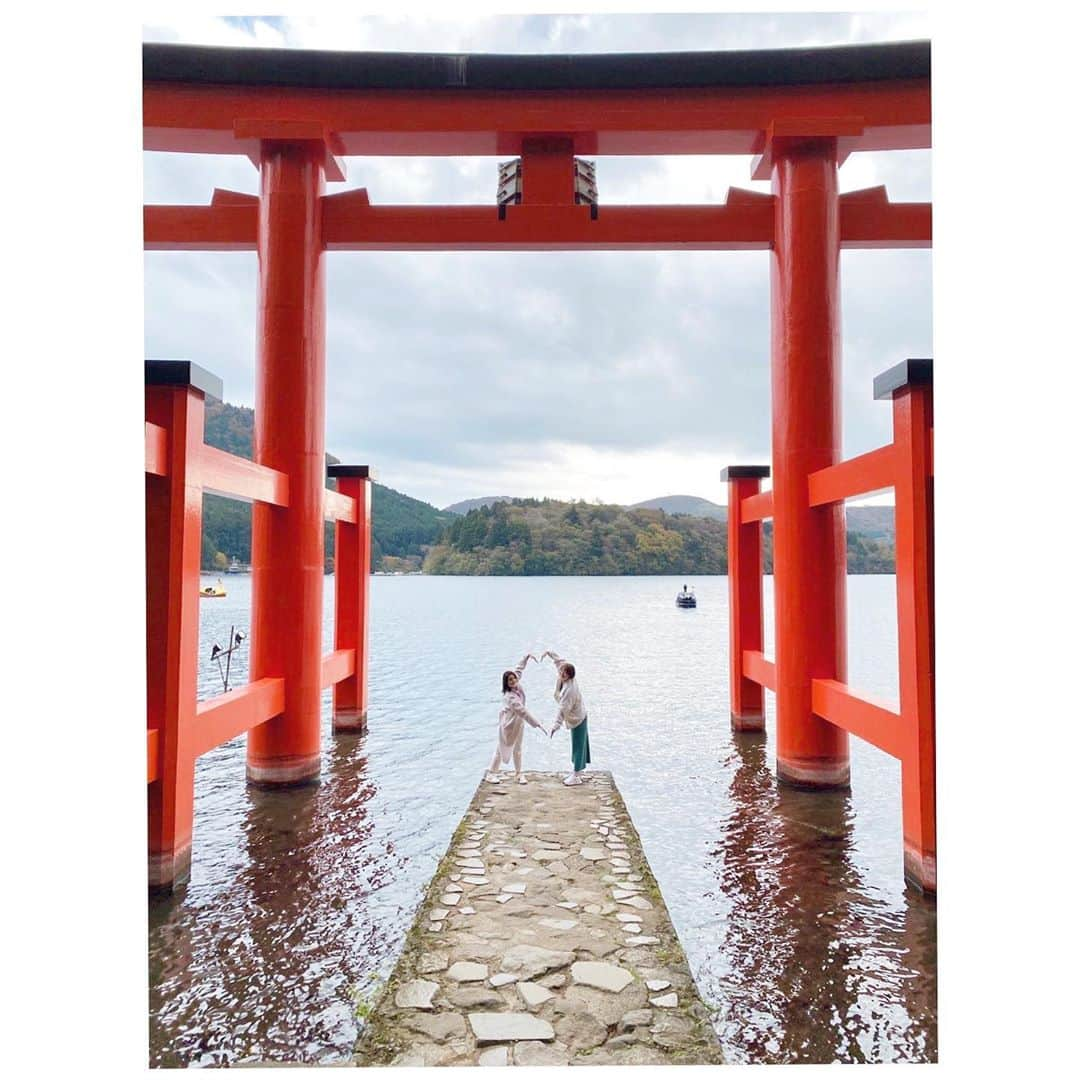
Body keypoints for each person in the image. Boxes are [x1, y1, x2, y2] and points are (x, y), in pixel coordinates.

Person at [485, 653, 546, 785]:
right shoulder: (510, 697)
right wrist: (538, 724)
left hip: (518, 724)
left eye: (514, 679)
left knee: (517, 749)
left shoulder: (517, 686)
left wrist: (526, 658)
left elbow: (519, 669)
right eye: (510, 680)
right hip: (508, 725)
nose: (513, 681)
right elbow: (522, 711)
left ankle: (518, 774)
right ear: (506, 683)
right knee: (501, 749)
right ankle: (491, 774)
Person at [542, 650, 590, 786]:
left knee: (578, 746)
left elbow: (562, 711)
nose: (562, 674)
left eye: (565, 673)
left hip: (577, 719)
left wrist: (555, 727)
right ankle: (578, 773)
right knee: (579, 745)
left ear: (570, 676)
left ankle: (576, 775)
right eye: (561, 671)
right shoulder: (564, 675)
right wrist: (549, 653)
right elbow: (560, 662)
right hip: (580, 715)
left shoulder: (569, 691)